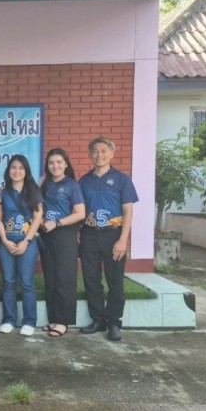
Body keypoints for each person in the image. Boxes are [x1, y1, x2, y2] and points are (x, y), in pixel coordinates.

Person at [78, 136, 139, 341]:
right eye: (95, 151)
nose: (99, 155)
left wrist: (123, 240)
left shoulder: (122, 180)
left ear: (112, 154)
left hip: (113, 235)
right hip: (89, 234)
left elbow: (128, 212)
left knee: (115, 280)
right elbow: (78, 209)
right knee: (91, 278)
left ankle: (114, 322)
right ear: (90, 154)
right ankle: (98, 320)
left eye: (104, 151)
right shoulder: (84, 180)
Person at [39, 148, 85, 338]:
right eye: (51, 163)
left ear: (66, 164)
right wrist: (42, 221)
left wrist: (57, 223)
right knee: (51, 279)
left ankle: (64, 321)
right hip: (46, 235)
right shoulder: (44, 183)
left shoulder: (72, 185)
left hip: (64, 235)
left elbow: (80, 213)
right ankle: (54, 319)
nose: (55, 166)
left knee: (65, 278)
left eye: (59, 162)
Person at [0, 154, 43, 336]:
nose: (17, 171)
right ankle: (9, 320)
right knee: (8, 282)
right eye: (13, 167)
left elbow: (38, 217)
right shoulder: (2, 191)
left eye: (21, 168)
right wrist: (5, 240)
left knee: (26, 282)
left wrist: (26, 241)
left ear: (26, 171)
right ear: (8, 170)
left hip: (27, 242)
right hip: (6, 242)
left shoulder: (33, 190)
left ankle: (29, 321)